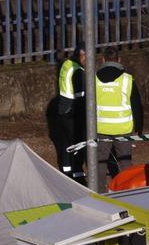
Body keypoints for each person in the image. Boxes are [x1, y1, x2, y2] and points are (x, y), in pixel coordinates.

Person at [94, 46, 143, 190]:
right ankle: (126, 190)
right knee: (124, 160)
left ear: (103, 59)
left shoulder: (94, 78)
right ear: (119, 59)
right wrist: (139, 128)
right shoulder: (128, 79)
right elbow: (136, 105)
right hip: (123, 128)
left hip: (101, 127)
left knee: (100, 161)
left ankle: (99, 191)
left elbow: (87, 104)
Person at [50, 44, 86, 180]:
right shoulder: (77, 71)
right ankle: (77, 174)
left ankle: (66, 171)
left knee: (65, 143)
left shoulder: (66, 64)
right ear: (81, 56)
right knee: (77, 143)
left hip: (63, 108)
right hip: (72, 111)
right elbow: (80, 96)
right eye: (86, 57)